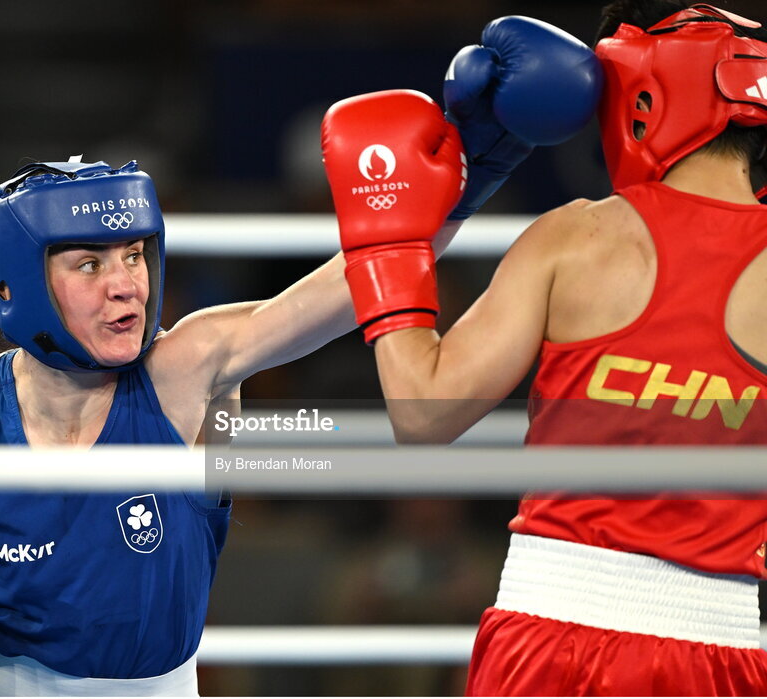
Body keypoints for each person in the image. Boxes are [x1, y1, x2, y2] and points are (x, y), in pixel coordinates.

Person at [322, 1, 767, 695]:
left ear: (639, 98)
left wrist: (391, 239)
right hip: (718, 647)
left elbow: (423, 412)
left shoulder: (574, 239)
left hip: (544, 635)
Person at [0, 158, 360, 696]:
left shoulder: (184, 378)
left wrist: (449, 198)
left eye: (134, 255)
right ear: (11, 286)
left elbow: (337, 299)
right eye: (90, 265)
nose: (126, 286)